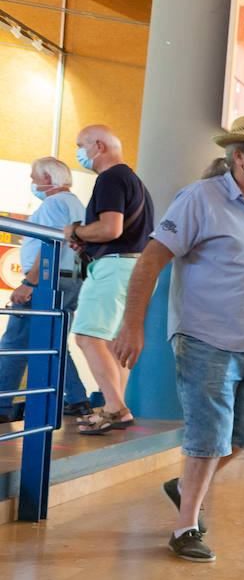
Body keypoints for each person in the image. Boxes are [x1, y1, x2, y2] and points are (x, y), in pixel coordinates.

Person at [111, 116, 244, 563]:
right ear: (239, 157)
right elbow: (151, 262)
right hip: (206, 338)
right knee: (208, 436)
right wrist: (132, 324)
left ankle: (183, 486)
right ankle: (185, 526)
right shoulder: (200, 199)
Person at [66, 124, 154, 434]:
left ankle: (116, 408)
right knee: (116, 345)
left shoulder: (111, 178)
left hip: (114, 269)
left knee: (88, 337)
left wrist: (75, 232)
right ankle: (114, 407)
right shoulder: (135, 181)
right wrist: (88, 238)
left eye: (81, 145)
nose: (79, 152)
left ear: (99, 146)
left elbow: (111, 228)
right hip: (134, 268)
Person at [0, 157, 89, 424]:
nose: (32, 183)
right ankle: (78, 399)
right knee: (54, 342)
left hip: (47, 281)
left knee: (15, 341)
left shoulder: (53, 204)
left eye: (33, 177)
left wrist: (29, 283)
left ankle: (2, 405)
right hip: (72, 280)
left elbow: (50, 244)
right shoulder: (76, 204)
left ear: (48, 179)